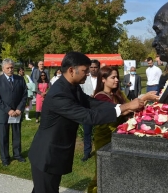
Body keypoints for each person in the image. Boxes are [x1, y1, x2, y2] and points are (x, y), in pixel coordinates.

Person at [28, 51, 144, 193]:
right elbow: (88, 116)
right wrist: (126, 107)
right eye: (84, 70)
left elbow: (90, 102)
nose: (88, 74)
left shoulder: (71, 86)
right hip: (46, 155)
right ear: (71, 70)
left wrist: (120, 107)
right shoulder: (59, 93)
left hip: (55, 153)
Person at [87, 66, 158, 193]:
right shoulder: (99, 97)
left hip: (119, 137)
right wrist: (144, 97)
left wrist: (143, 104)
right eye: (113, 77)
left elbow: (131, 108)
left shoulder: (119, 94)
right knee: (101, 172)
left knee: (117, 171)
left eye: (117, 77)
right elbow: (119, 110)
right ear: (103, 79)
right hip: (105, 138)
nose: (116, 80)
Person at [0, 58, 28, 166]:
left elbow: (24, 95)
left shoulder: (20, 79)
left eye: (12, 67)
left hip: (17, 113)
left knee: (17, 135)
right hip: (3, 113)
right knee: (3, 137)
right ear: (3, 68)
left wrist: (19, 109)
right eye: (8, 68)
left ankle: (17, 154)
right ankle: (5, 158)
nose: (10, 69)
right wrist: (8, 110)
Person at [80, 59, 100, 162]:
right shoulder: (85, 79)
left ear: (98, 68)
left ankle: (101, 150)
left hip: (99, 109)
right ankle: (86, 152)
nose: (93, 69)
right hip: (87, 109)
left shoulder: (102, 79)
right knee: (87, 132)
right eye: (91, 67)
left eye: (95, 67)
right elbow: (80, 92)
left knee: (100, 131)